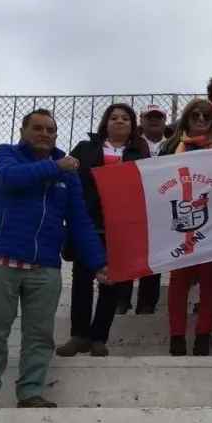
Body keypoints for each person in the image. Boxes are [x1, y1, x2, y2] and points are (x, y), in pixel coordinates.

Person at [0, 109, 109, 409]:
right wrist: (55, 166)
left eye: (51, 130)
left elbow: (80, 221)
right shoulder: (6, 154)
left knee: (39, 336)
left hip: (45, 266)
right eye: (38, 128)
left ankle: (30, 392)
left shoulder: (67, 173)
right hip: (1, 260)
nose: (45, 134)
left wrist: (98, 262)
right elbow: (8, 179)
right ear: (23, 131)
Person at [56, 103, 149, 358]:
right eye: (114, 118)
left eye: (125, 119)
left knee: (112, 283)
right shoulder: (85, 149)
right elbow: (67, 176)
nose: (119, 122)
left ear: (132, 126)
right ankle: (79, 336)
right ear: (105, 123)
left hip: (119, 228)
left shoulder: (140, 157)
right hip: (86, 224)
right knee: (82, 280)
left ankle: (99, 337)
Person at [159, 98, 212, 356]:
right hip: (176, 217)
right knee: (179, 280)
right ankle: (176, 337)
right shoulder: (169, 147)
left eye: (207, 117)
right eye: (195, 115)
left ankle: (202, 336)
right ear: (186, 118)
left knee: (210, 278)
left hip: (211, 221)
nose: (201, 119)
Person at [117, 103, 168, 315]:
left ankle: (147, 303)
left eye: (158, 117)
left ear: (165, 121)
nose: (154, 120)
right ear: (142, 121)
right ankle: (121, 301)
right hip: (135, 204)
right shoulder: (131, 144)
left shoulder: (176, 144)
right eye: (150, 117)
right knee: (128, 252)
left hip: (163, 205)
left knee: (154, 254)